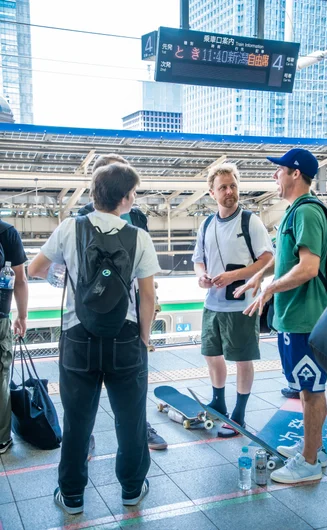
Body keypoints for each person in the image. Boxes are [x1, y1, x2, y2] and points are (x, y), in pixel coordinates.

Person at [28, 162, 160, 513]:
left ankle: (71, 496)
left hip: (78, 337)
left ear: (94, 195)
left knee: (77, 421)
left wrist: (60, 273)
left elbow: (34, 269)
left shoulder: (70, 228)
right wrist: (144, 337)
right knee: (130, 419)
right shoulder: (138, 236)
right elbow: (147, 296)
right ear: (126, 198)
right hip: (126, 339)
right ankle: (131, 489)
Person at [235, 148, 327, 484]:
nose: (274, 175)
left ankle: (309, 464)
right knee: (304, 389)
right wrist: (260, 276)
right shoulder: (293, 213)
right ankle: (312, 448)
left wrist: (269, 290)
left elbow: (309, 266)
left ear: (294, 173)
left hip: (307, 318)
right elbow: (287, 255)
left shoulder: (307, 212)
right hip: (293, 318)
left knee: (312, 391)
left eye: (279, 170)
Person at [78, 153, 167, 451]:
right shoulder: (80, 218)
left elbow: (147, 264)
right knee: (85, 387)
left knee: (135, 380)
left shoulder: (138, 216)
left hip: (130, 313)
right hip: (93, 312)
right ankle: (84, 437)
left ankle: (140, 428)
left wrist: (152, 296)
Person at [192, 163, 274, 437]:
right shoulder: (206, 224)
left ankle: (239, 412)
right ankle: (219, 402)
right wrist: (202, 276)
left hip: (242, 305)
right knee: (211, 354)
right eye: (223, 188)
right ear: (212, 193)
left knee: (242, 359)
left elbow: (268, 260)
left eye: (233, 186)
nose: (230, 192)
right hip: (212, 303)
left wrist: (234, 275)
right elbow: (198, 261)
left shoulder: (250, 221)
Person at [0, 223, 28, 454]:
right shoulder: (6, 232)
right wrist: (22, 316)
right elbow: (20, 280)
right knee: (1, 377)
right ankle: (1, 439)